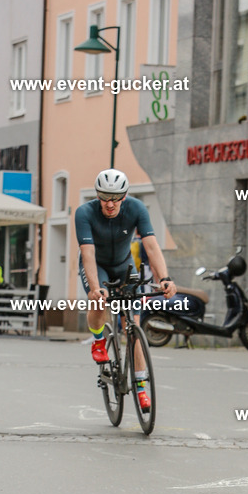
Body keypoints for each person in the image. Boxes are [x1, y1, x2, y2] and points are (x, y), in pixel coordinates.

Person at [75, 169, 176, 410]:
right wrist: (96, 289)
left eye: (115, 198)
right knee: (98, 300)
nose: (110, 204)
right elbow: (87, 254)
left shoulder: (136, 208)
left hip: (124, 266)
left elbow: (151, 246)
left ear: (125, 196)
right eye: (104, 197)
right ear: (97, 195)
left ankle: (141, 387)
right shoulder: (84, 213)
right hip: (97, 265)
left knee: (134, 329)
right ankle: (98, 340)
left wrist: (165, 278)